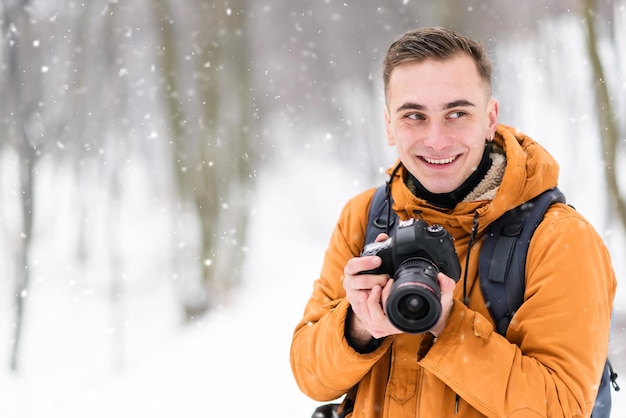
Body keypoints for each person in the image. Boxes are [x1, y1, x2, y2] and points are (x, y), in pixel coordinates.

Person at [289, 27, 617, 417]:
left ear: (490, 118)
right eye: (414, 115)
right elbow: (310, 378)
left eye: (456, 113)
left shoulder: (559, 238)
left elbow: (561, 409)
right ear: (390, 125)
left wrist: (450, 326)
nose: (437, 140)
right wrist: (359, 326)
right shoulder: (364, 218)